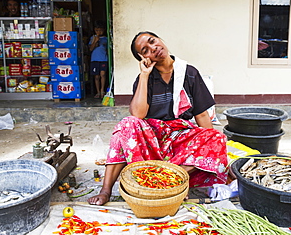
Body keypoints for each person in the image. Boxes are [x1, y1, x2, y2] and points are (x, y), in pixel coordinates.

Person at [87, 31, 229, 206]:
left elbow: (201, 114)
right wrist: (144, 75)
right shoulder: (144, 78)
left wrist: (209, 145)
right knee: (126, 125)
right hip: (150, 141)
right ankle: (106, 191)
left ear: (160, 39)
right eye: (145, 50)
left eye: (153, 41)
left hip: (179, 141)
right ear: (143, 58)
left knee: (218, 138)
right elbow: (138, 114)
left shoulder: (189, 73)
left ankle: (172, 178)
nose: (153, 49)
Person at [88, 21, 108, 99]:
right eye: (97, 30)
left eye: (100, 30)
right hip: (95, 59)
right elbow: (90, 49)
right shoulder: (92, 38)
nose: (99, 32)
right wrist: (95, 41)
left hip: (103, 59)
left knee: (103, 74)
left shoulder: (106, 39)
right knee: (96, 76)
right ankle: (98, 92)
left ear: (103, 30)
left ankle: (102, 90)